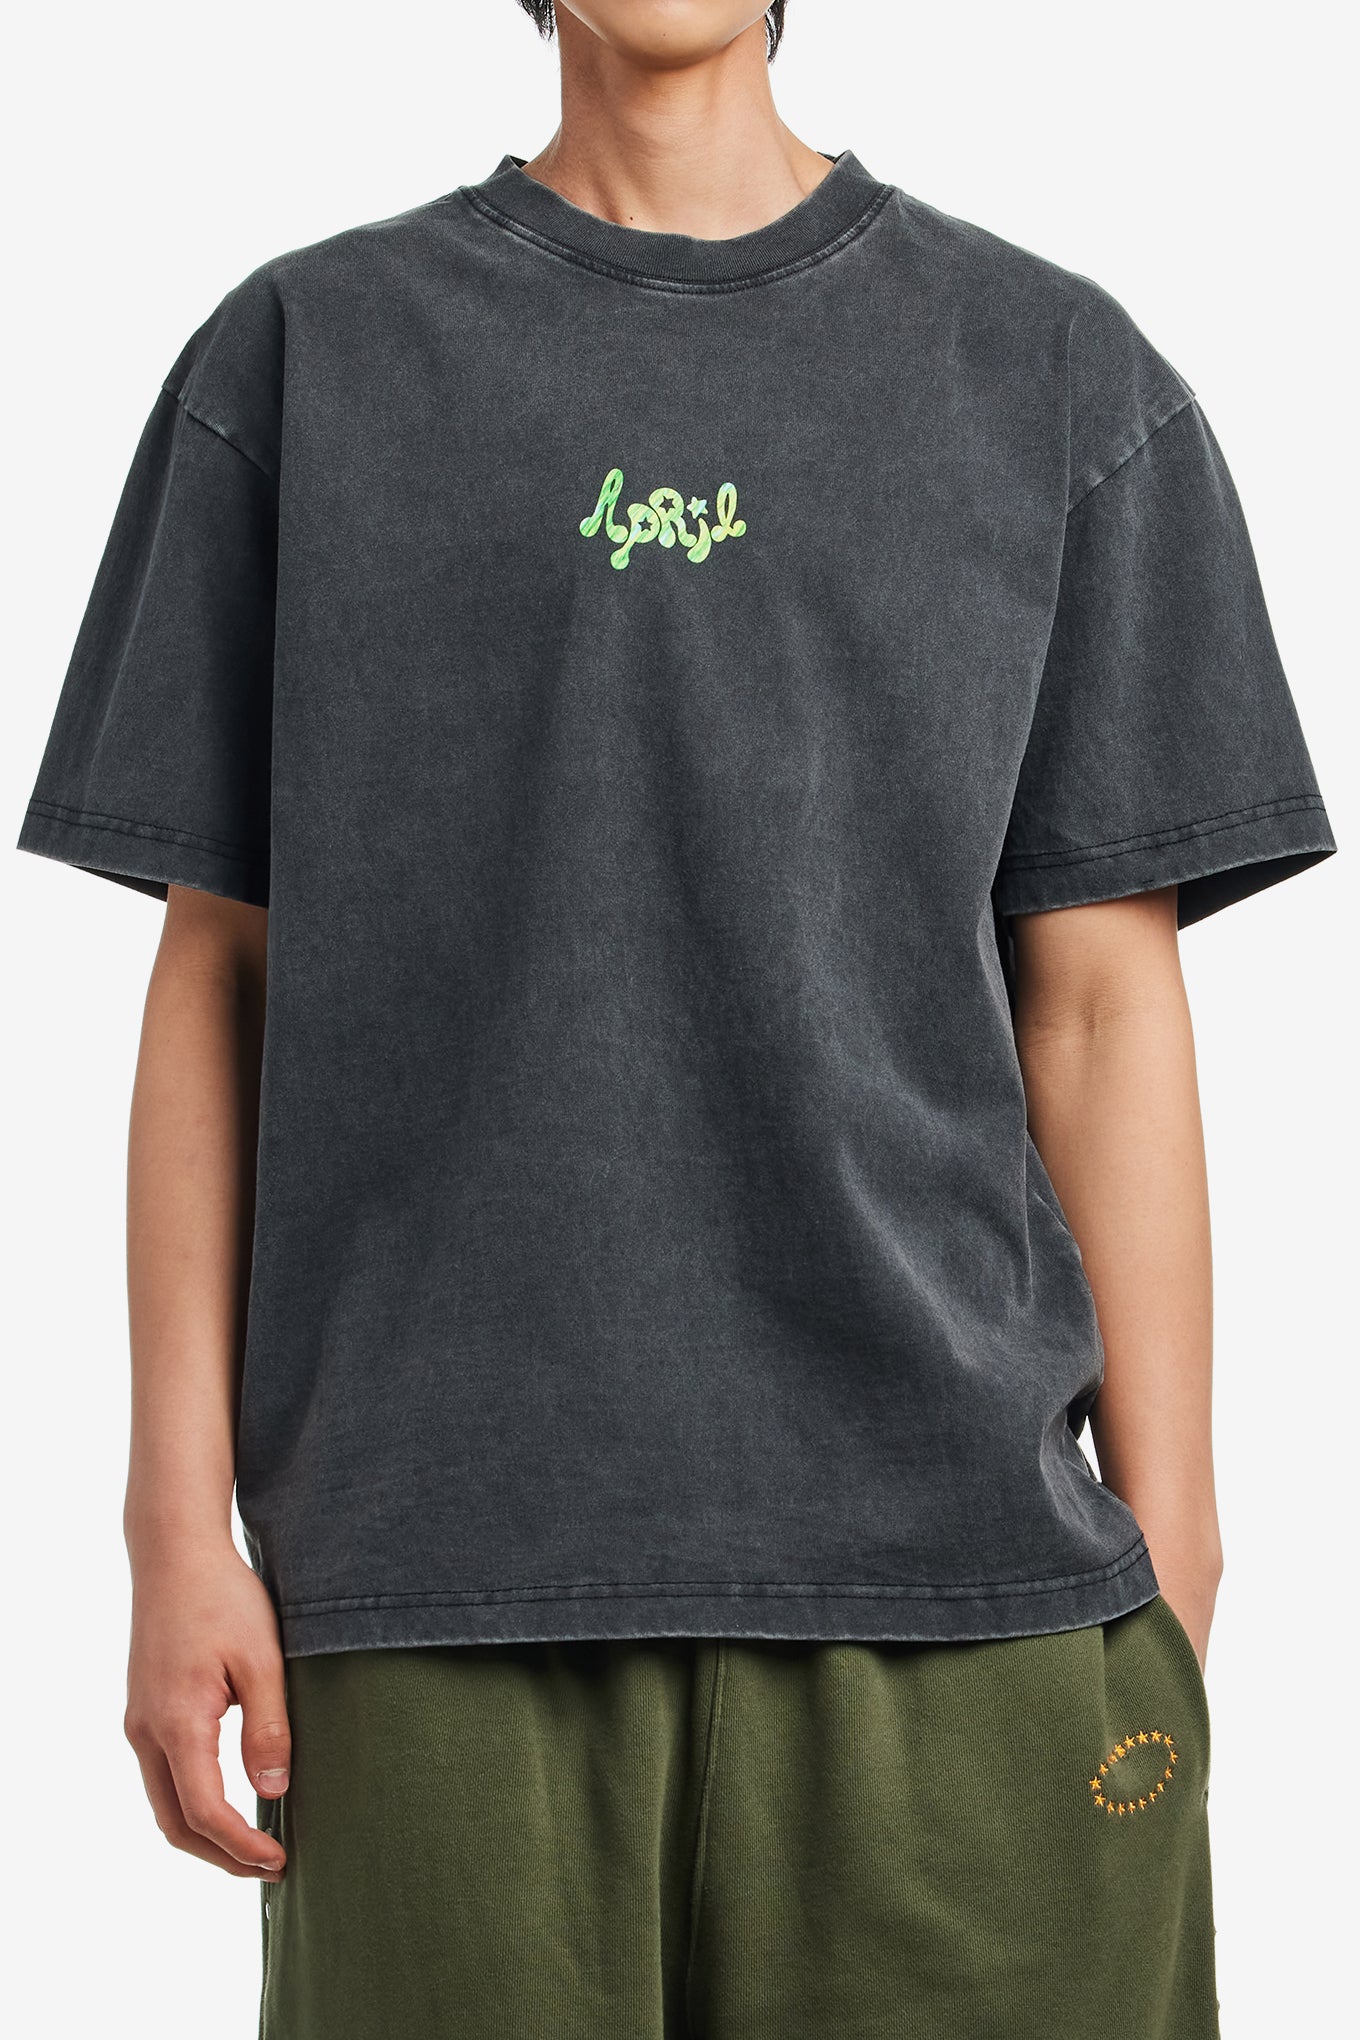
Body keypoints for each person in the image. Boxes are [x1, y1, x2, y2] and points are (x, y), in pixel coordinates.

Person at [17, 2, 1336, 2034]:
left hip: (965, 1604)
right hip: (431, 1603)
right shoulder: (302, 363)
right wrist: (171, 1526)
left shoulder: (1056, 375)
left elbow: (1097, 1005)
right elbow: (220, 976)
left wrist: (1173, 1563)